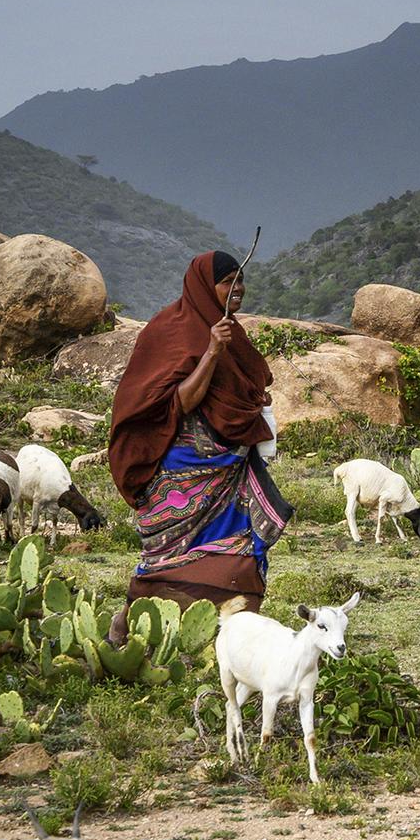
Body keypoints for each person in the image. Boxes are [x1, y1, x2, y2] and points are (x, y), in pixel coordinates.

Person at [106, 250, 292, 640]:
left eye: (240, 279)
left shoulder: (230, 330)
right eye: (228, 282)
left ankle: (228, 639)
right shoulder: (170, 331)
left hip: (228, 471)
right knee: (167, 555)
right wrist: (211, 352)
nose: (237, 289)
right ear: (205, 286)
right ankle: (129, 628)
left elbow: (244, 390)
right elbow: (180, 402)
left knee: (238, 550)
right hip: (181, 475)